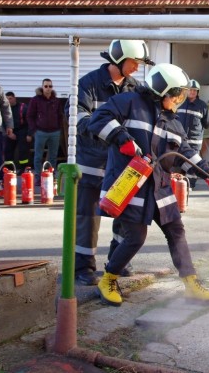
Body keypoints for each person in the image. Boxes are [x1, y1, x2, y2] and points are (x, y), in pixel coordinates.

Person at [88, 63, 209, 306]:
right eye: (176, 93)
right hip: (130, 186)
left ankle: (191, 283)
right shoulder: (128, 103)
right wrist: (122, 139)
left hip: (160, 189)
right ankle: (107, 279)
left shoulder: (174, 123)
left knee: (176, 231)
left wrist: (208, 173)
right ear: (162, 90)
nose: (179, 99)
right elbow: (97, 120)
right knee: (135, 237)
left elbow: (184, 153)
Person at [66, 39, 155, 286]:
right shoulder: (88, 84)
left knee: (124, 214)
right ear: (118, 60)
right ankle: (83, 268)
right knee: (87, 217)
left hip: (121, 167)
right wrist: (112, 134)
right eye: (134, 62)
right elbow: (79, 119)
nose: (137, 68)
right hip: (92, 163)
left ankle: (118, 260)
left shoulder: (135, 88)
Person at [176, 78, 209, 189]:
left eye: (195, 90)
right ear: (186, 90)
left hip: (195, 142)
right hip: (180, 141)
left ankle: (191, 185)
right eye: (190, 90)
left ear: (198, 92)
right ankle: (180, 184)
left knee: (193, 164)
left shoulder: (203, 106)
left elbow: (206, 123)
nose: (192, 92)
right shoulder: (179, 103)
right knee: (179, 162)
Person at [26, 78, 63, 180]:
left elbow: (60, 115)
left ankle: (51, 175)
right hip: (40, 131)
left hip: (54, 132)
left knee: (53, 155)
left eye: (50, 86)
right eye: (46, 86)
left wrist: (58, 127)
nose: (48, 88)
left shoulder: (56, 100)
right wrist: (34, 129)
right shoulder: (35, 100)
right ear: (42, 87)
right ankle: (38, 175)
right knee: (38, 155)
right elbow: (30, 115)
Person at [4, 91, 31, 172]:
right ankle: (9, 169)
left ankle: (23, 168)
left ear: (14, 98)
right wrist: (9, 133)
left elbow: (29, 121)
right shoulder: (4, 108)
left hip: (22, 130)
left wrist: (29, 134)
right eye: (7, 99)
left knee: (23, 151)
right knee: (8, 151)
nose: (9, 101)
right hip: (9, 131)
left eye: (10, 98)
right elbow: (2, 122)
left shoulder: (23, 107)